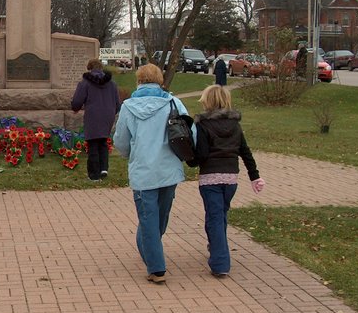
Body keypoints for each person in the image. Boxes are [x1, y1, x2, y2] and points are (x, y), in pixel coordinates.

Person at [112, 63, 194, 284]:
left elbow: (120, 140)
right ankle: (156, 266)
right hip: (169, 169)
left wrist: (131, 153)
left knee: (150, 219)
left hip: (143, 171)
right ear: (160, 81)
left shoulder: (128, 107)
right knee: (159, 217)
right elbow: (190, 132)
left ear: (139, 81)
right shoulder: (174, 103)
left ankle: (150, 254)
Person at [186, 85, 265, 278]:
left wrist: (190, 159)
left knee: (215, 217)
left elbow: (201, 154)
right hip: (231, 179)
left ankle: (220, 263)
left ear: (207, 101)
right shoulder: (235, 126)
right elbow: (245, 151)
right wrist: (254, 176)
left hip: (210, 179)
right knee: (219, 215)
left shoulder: (202, 125)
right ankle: (215, 245)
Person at [71, 58, 121, 181]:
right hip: (108, 115)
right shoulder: (112, 83)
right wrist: (111, 112)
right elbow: (117, 104)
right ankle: (104, 168)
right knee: (103, 141)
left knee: (93, 143)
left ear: (90, 68)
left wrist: (75, 108)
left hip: (93, 115)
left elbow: (77, 101)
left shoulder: (85, 83)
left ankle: (94, 174)